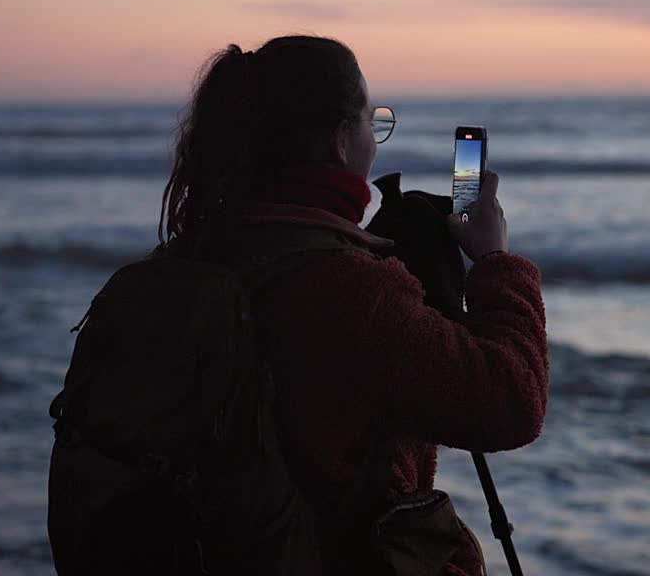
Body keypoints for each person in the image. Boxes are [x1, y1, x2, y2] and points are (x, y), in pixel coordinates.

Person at [157, 34, 548, 575]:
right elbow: (511, 400)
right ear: (342, 140)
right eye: (372, 122)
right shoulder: (346, 291)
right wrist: (493, 261)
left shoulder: (196, 260)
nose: (375, 139)